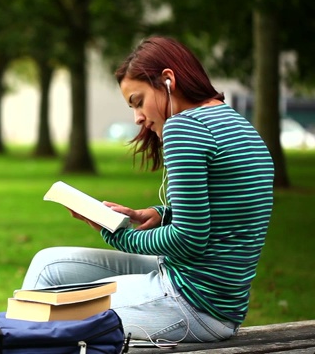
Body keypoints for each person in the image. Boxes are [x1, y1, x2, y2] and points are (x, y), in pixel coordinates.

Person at [20, 36, 275, 344]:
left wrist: (118, 234)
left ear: (168, 80)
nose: (137, 117)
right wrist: (158, 214)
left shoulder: (184, 128)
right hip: (212, 298)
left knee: (41, 312)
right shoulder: (239, 125)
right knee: (49, 266)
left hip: (192, 304)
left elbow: (189, 240)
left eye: (138, 101)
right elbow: (228, 212)